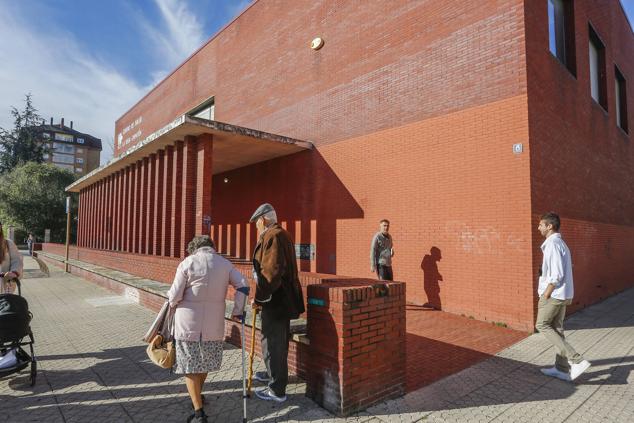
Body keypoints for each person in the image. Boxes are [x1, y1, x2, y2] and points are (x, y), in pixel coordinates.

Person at [167, 235, 248, 423]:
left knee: (189, 366)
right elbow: (243, 286)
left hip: (188, 323)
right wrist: (238, 310)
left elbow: (175, 295)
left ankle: (198, 413)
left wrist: (171, 299)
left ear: (194, 248)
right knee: (204, 364)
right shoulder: (224, 264)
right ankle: (198, 397)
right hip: (214, 324)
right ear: (211, 247)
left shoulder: (188, 263)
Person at [249, 203, 305, 403]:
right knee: (277, 342)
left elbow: (270, 274)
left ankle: (276, 389)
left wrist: (258, 298)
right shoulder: (281, 234)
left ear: (263, 219)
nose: (256, 226)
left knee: (272, 343)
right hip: (282, 301)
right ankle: (275, 374)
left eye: (257, 222)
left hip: (275, 301)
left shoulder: (272, 236)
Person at [536, 212, 591, 382]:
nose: (538, 227)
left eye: (541, 225)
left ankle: (577, 360)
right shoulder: (560, 243)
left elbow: (557, 274)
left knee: (542, 325)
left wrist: (546, 293)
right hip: (562, 294)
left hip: (554, 294)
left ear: (549, 226)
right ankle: (561, 369)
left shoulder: (553, 244)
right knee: (557, 330)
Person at [0, 222, 24, 294]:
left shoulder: (8, 243)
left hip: (6, 284)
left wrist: (14, 272)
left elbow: (16, 260)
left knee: (5, 304)